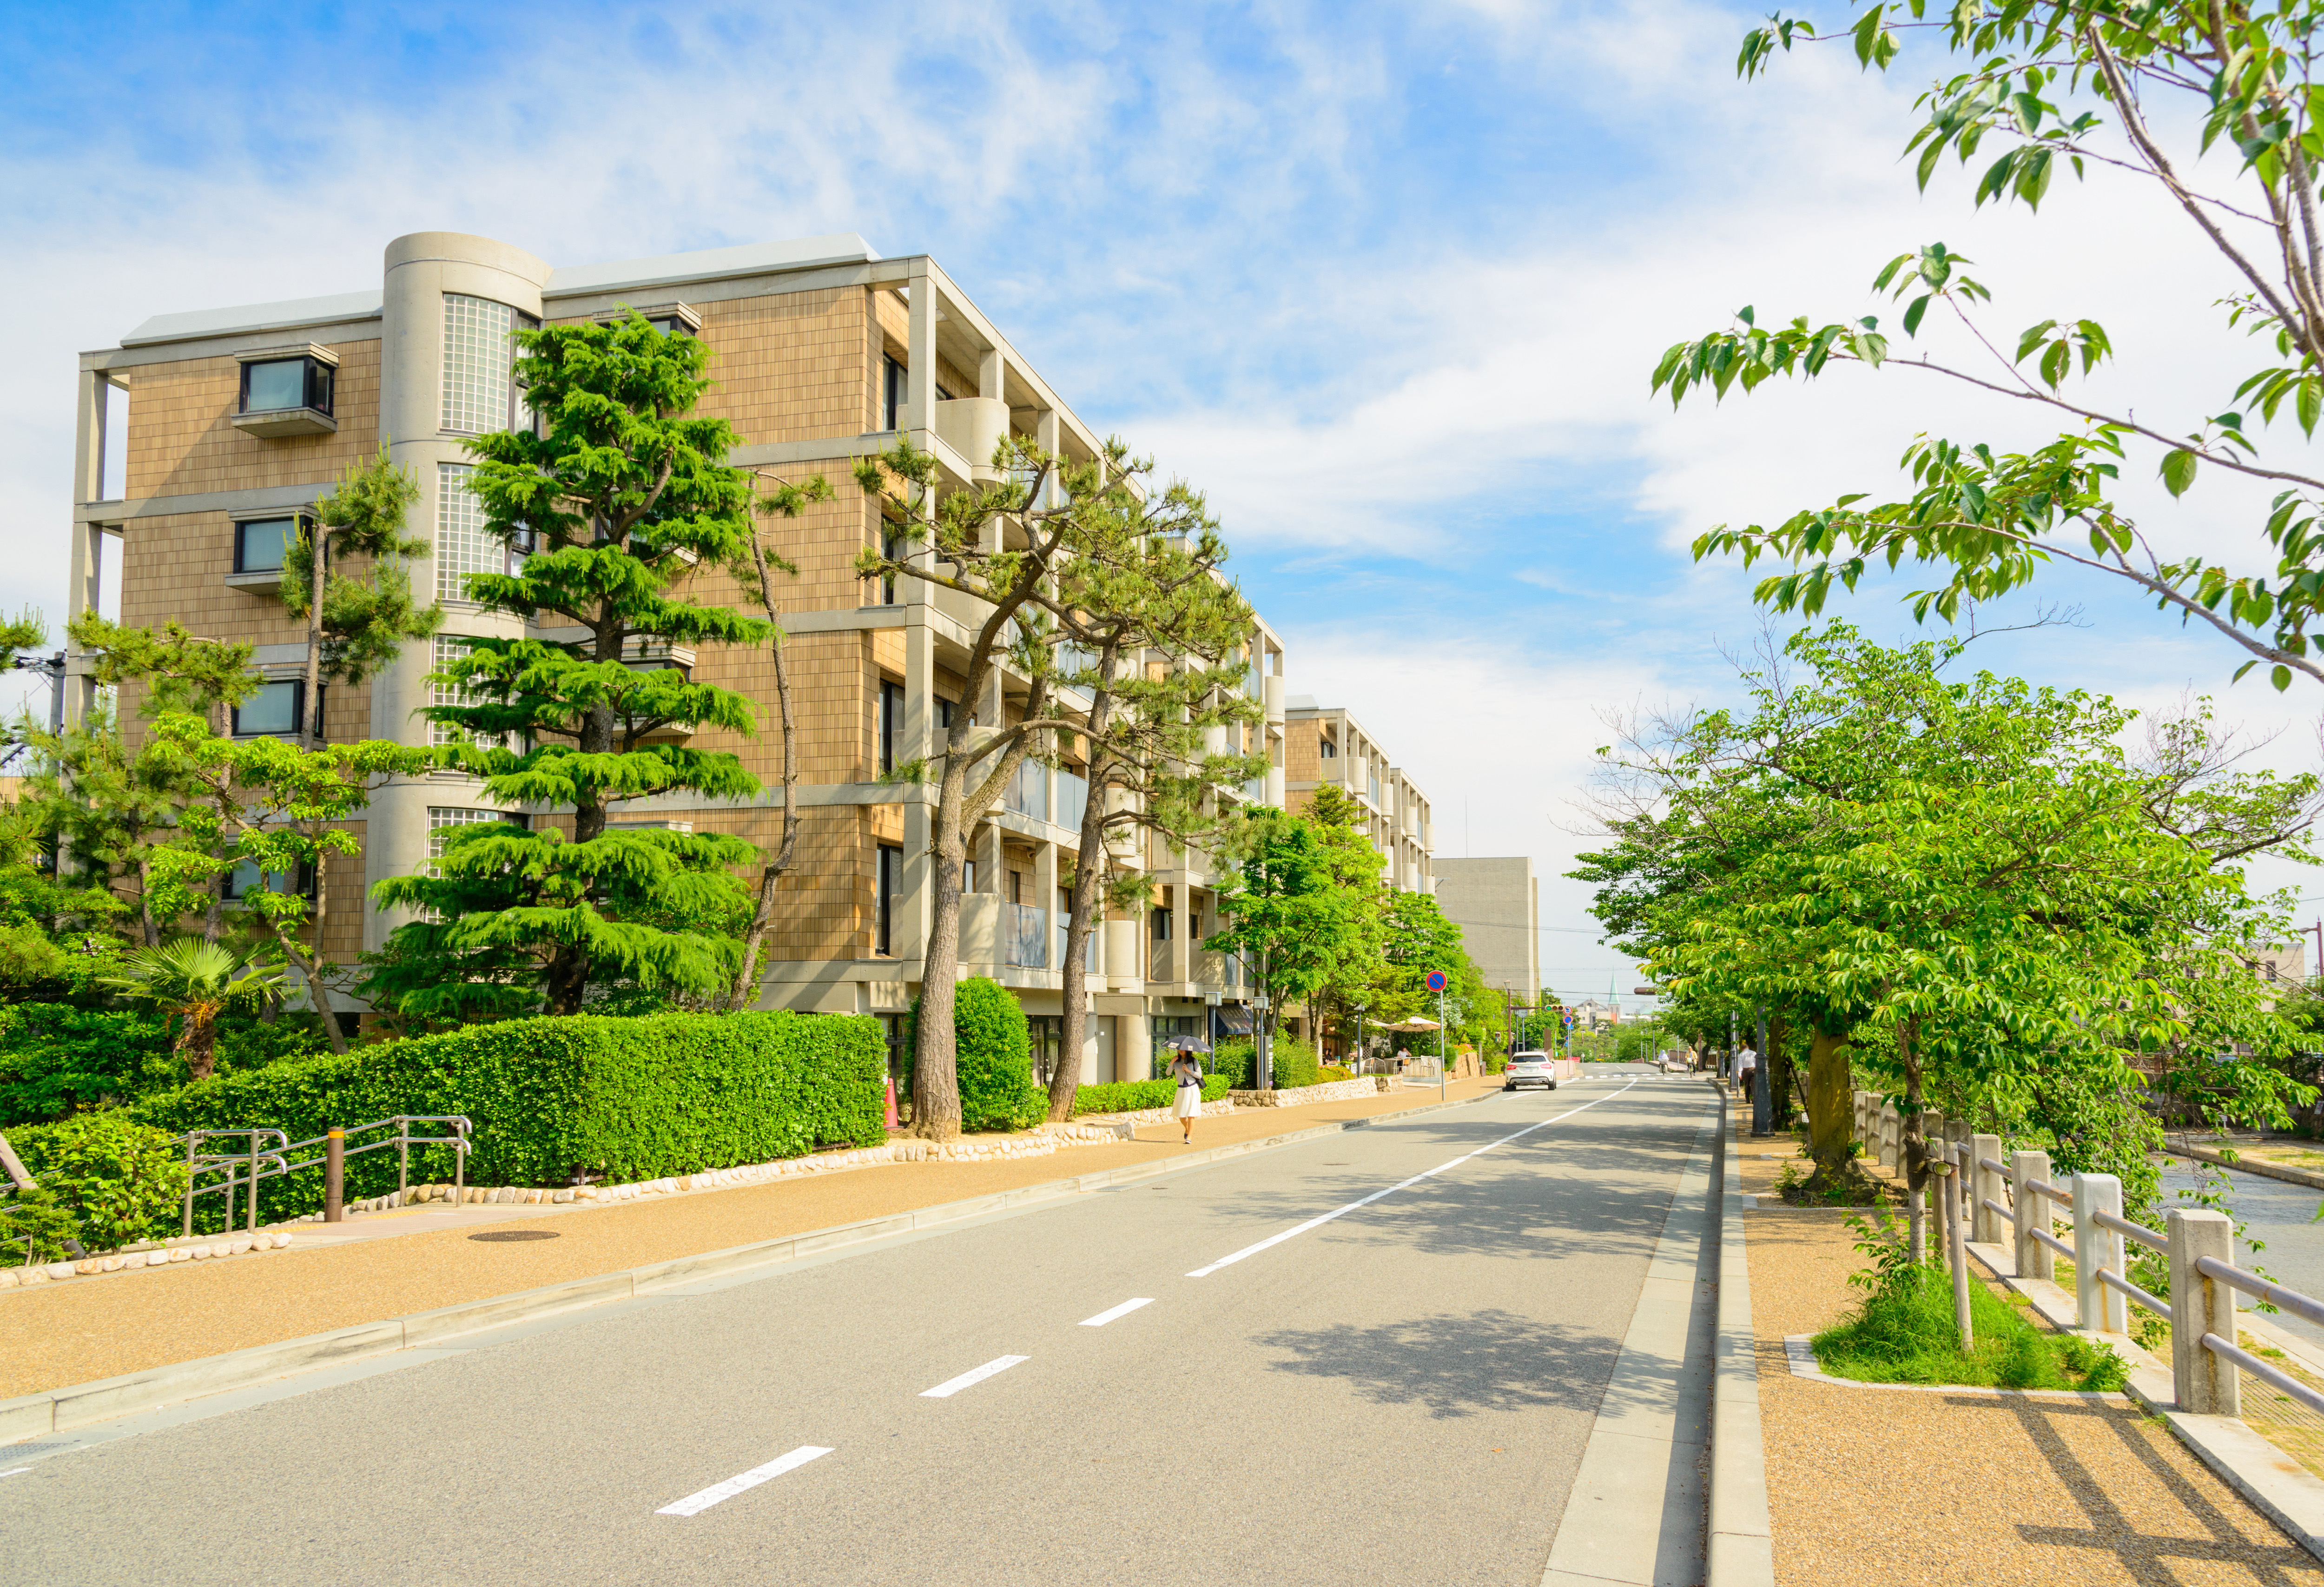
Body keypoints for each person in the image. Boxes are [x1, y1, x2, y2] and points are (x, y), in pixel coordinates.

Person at [1169, 1046, 1204, 1144]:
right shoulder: (1176, 1061)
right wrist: (1171, 1063)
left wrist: (1189, 1071)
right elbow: (1168, 1073)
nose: (1181, 1050)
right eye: (1179, 1048)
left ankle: (1189, 1137)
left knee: (1191, 1115)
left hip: (1192, 1089)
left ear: (1187, 1050)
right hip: (1181, 1089)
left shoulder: (1194, 1061)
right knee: (1181, 1116)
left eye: (1183, 1048)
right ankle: (1187, 1128)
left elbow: (1199, 1075)